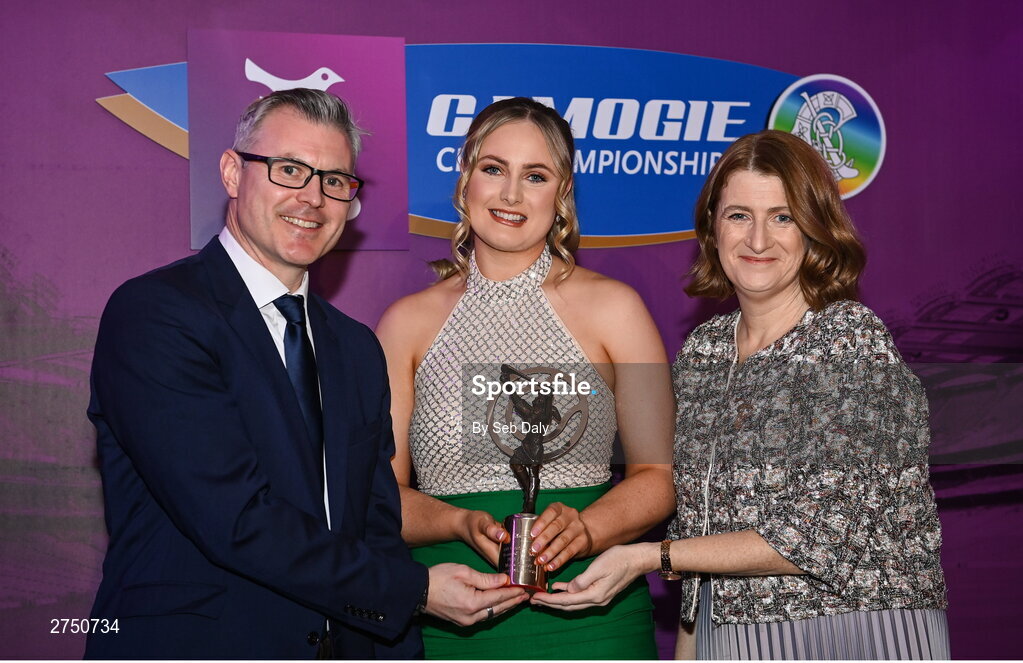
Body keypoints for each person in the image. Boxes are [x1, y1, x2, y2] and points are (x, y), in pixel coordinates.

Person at [85, 88, 525, 660]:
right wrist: (414, 591)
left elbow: (374, 524)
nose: (313, 199)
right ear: (231, 173)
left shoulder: (355, 347)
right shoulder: (156, 314)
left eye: (335, 181)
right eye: (289, 170)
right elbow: (235, 518)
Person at [533, 130, 950, 659]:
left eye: (782, 216)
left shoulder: (849, 339)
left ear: (815, 229)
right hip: (730, 638)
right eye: (738, 216)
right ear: (711, 227)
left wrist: (646, 558)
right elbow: (697, 530)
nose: (758, 240)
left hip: (853, 633)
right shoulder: (704, 351)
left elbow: (821, 535)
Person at [375, 97, 675, 659]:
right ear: (466, 181)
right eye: (494, 169)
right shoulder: (405, 324)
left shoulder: (617, 309)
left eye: (534, 176)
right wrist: (460, 522)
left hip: (591, 609)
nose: (511, 195)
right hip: (453, 618)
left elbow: (658, 476)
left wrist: (586, 528)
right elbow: (381, 496)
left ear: (560, 196)